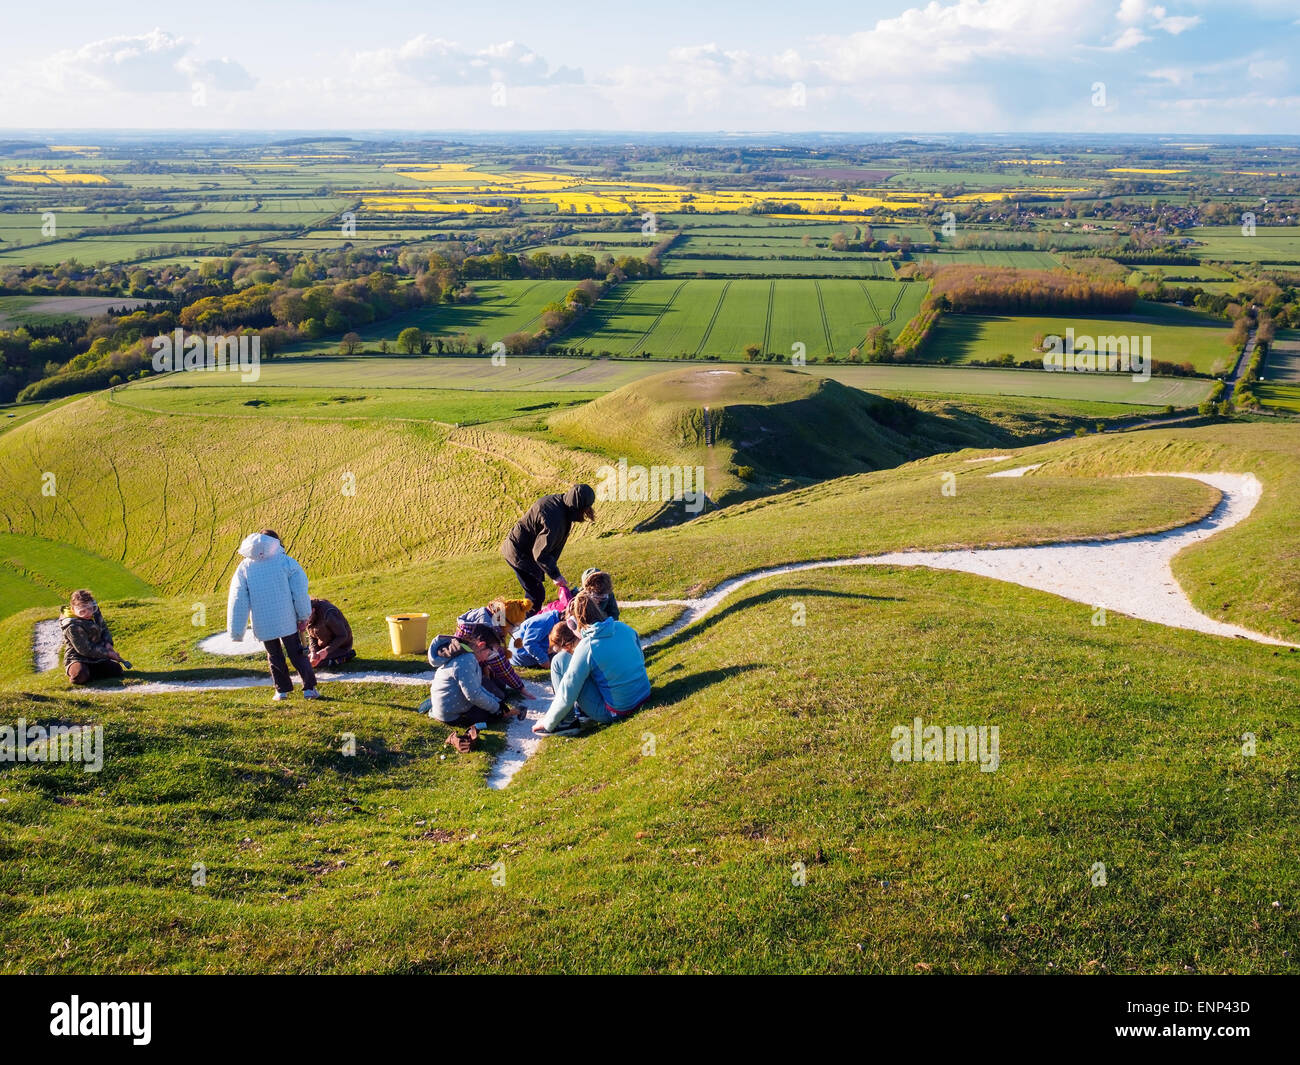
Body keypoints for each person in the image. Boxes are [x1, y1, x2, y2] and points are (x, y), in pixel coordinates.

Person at [534, 591, 651, 735]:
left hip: (617, 711)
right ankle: (579, 712)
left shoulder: (587, 646)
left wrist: (548, 722)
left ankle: (565, 722)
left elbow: (568, 690)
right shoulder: (623, 627)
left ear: (573, 623)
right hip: (644, 695)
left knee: (559, 660)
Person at [226, 529, 319, 701]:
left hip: (263, 622)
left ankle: (281, 691)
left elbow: (237, 598)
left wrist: (236, 631)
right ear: (276, 543)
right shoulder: (286, 562)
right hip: (287, 620)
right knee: (297, 653)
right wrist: (303, 616)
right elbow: (299, 592)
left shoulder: (244, 567)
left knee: (274, 655)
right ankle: (309, 689)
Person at [501, 484, 596, 618]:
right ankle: (527, 630)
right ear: (578, 507)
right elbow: (540, 553)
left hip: (521, 550)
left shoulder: (560, 505)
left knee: (535, 593)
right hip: (519, 553)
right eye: (586, 509)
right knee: (536, 595)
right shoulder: (556, 519)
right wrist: (555, 575)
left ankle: (522, 623)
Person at [419, 624, 520, 725]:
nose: (487, 658)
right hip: (449, 716)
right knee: (485, 716)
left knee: (487, 706)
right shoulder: (467, 660)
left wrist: (497, 702)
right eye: (489, 654)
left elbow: (477, 687)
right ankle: (438, 711)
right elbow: (473, 695)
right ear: (481, 645)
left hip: (446, 705)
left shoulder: (463, 651)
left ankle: (435, 707)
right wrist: (496, 709)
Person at [454, 598, 531, 696]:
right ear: (507, 621)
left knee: (497, 681)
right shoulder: (488, 630)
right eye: (514, 626)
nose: (512, 630)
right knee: (498, 693)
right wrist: (521, 687)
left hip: (462, 664)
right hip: (467, 673)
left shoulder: (488, 613)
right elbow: (502, 667)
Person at [61, 589, 126, 685]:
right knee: (79, 676)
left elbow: (103, 628)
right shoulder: (72, 626)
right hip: (77, 658)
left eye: (90, 609)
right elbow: (85, 649)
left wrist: (108, 643)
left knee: (117, 670)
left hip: (98, 658)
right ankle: (83, 671)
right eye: (82, 611)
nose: (87, 613)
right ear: (73, 610)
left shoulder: (95, 612)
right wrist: (108, 654)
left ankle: (90, 672)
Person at [510, 610, 575, 670]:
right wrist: (543, 660)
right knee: (566, 659)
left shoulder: (555, 621)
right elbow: (529, 643)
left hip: (529, 652)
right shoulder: (547, 621)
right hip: (522, 655)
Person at [305, 598, 354, 669]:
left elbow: (343, 636)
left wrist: (326, 651)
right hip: (323, 645)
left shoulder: (329, 614)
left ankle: (345, 656)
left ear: (313, 610)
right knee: (304, 660)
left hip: (341, 646)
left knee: (319, 662)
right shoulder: (305, 616)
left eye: (306, 618)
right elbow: (312, 636)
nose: (305, 621)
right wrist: (313, 651)